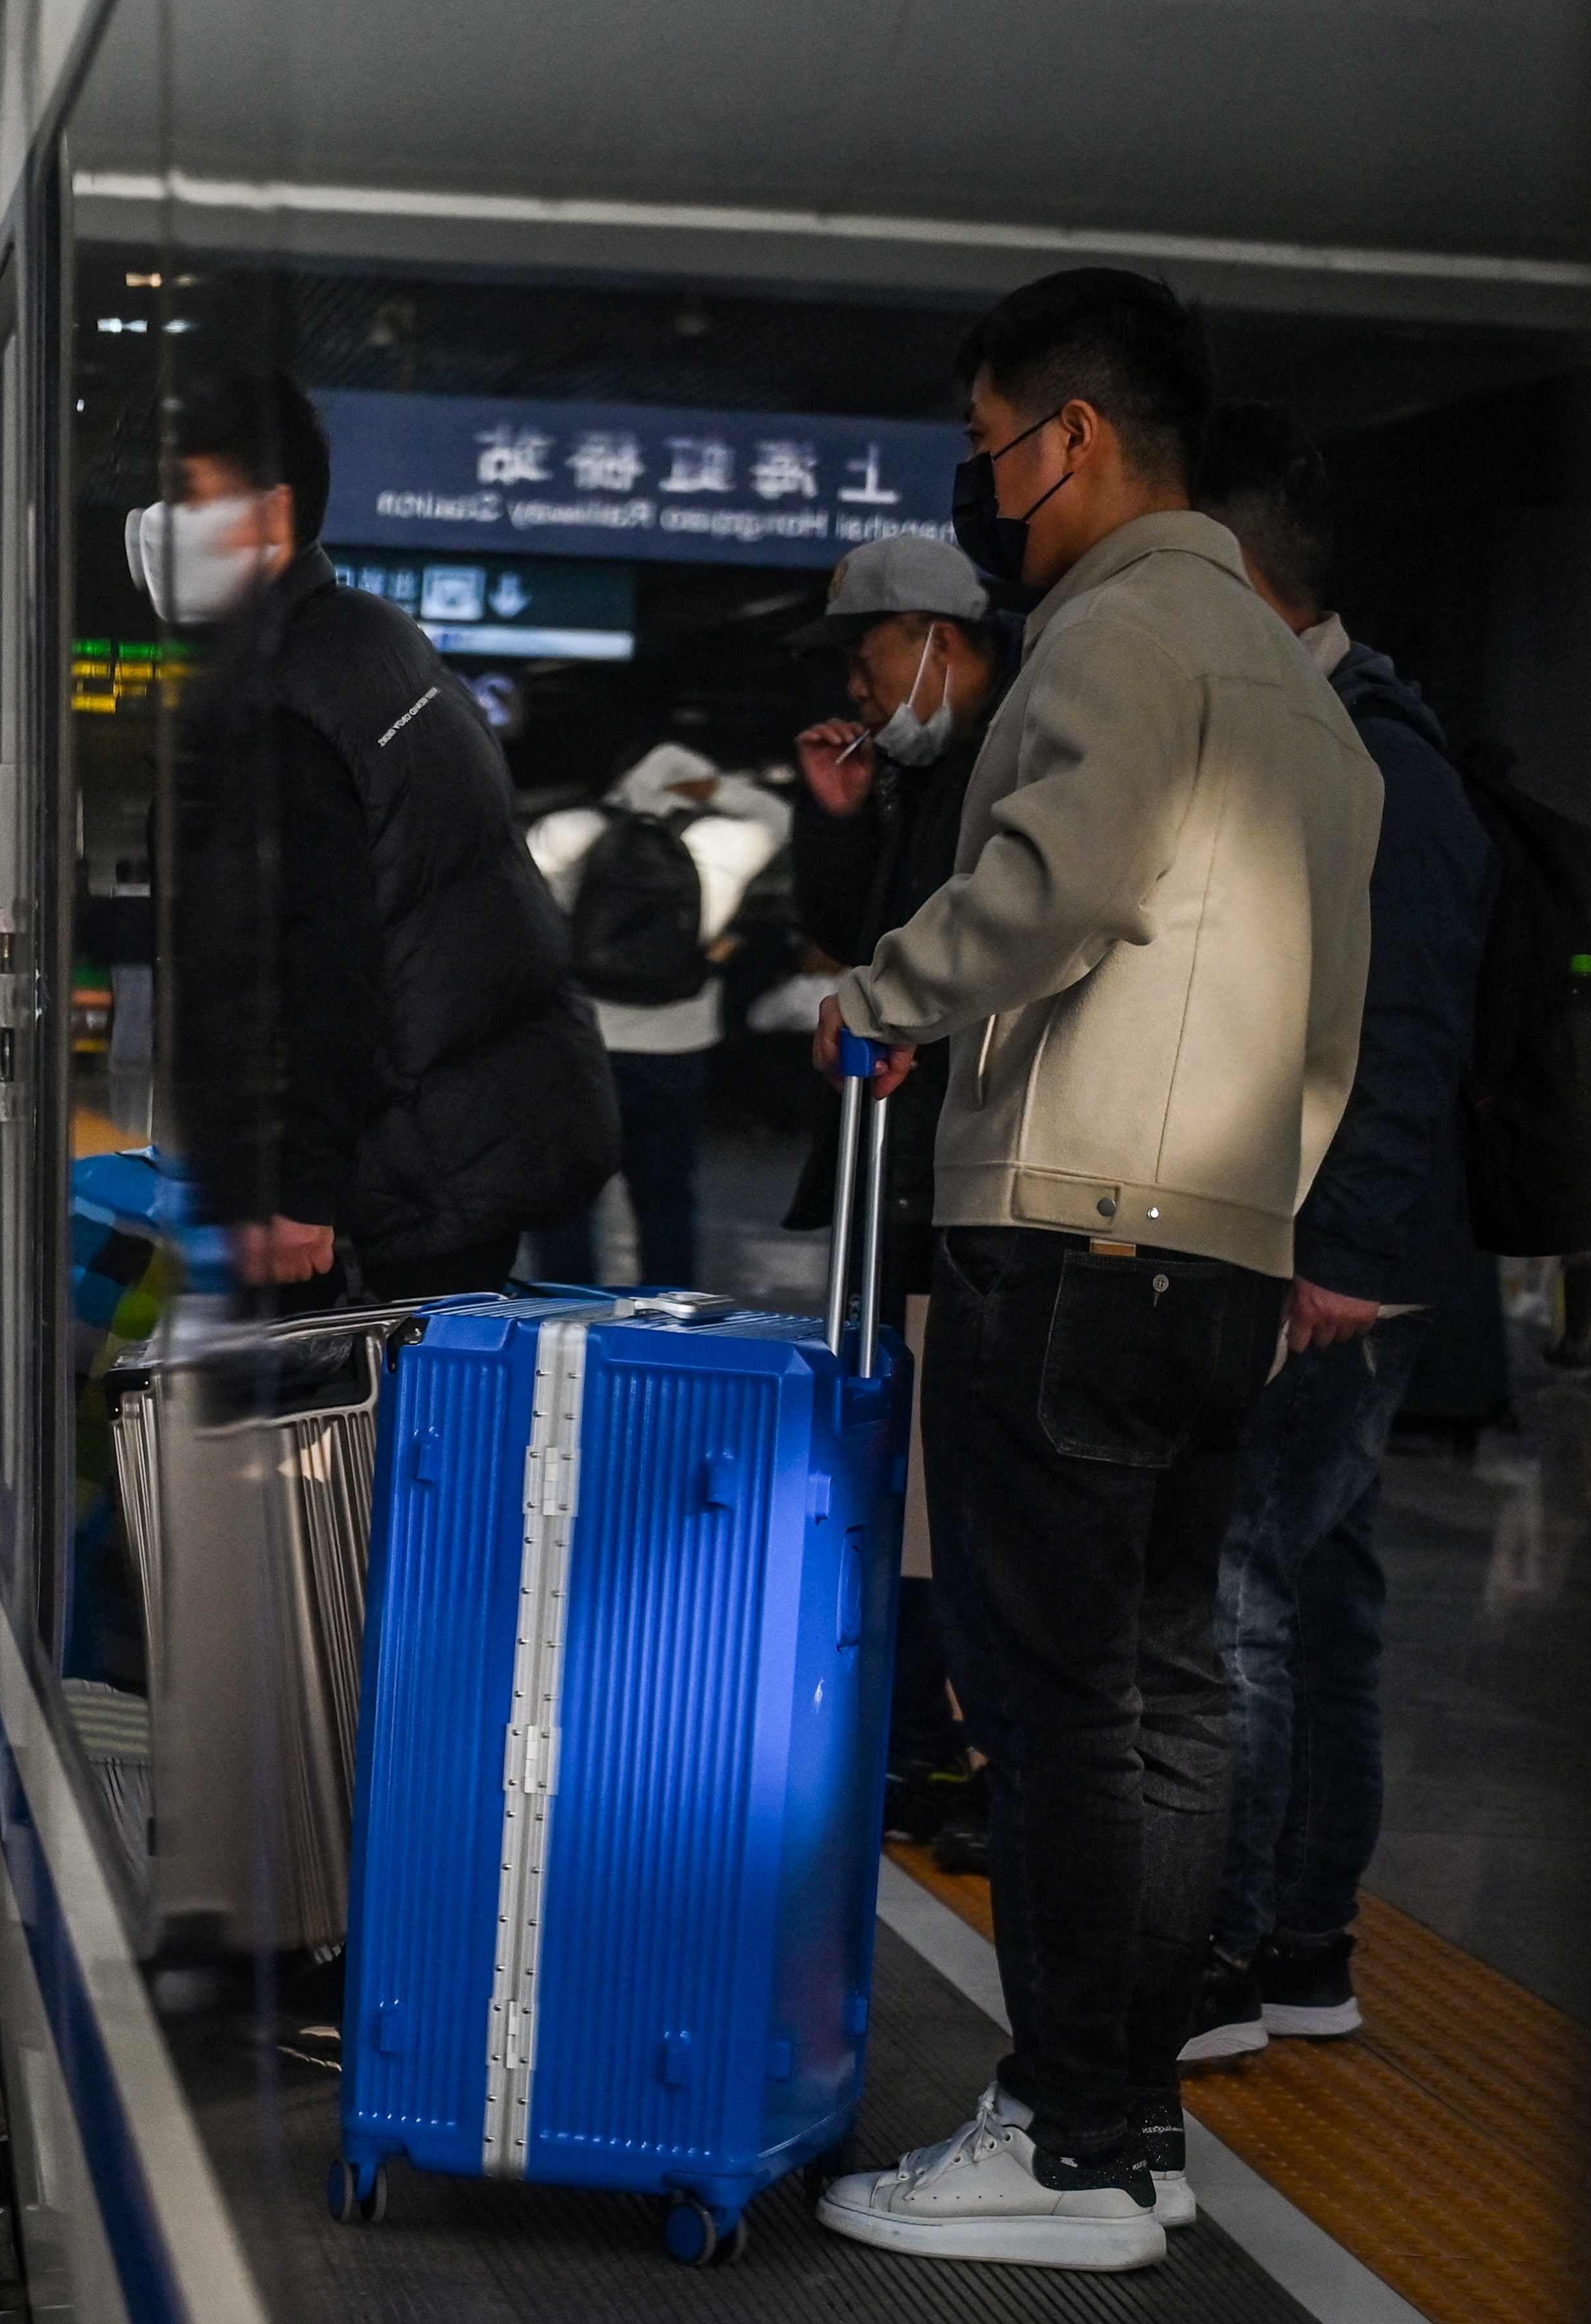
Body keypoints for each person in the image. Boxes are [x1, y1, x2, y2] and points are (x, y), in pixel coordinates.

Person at [807, 268, 1380, 2273]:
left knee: (1054, 1709)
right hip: (1218, 1247)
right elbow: (1333, 1023)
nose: (987, 490)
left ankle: (1061, 2139)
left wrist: (875, 991)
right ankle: (1131, 2137)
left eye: (990, 446)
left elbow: (1057, 881)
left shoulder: (1119, 634)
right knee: (1165, 1698)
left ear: (1072, 436)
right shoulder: (1301, 685)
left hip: (1071, 1233)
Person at [1180, 403, 1497, 2064]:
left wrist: (1345, 1255)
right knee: (1323, 1592)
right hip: (1338, 1246)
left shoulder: (1377, 750)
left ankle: (1228, 1956)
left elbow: (1409, 1020)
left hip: (1339, 1262)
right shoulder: (1334, 734)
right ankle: (1305, 1941)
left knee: (1241, 1586)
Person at [142, 368, 617, 1300]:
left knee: (354, 1434)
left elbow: (325, 958)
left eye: (187, 494)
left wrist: (296, 1191)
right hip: (457, 1132)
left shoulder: (281, 696)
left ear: (271, 515)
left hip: (394, 1169)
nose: (162, 523)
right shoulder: (371, 639)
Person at [781, 537, 1018, 1867]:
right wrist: (838, 808)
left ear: (933, 635)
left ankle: (968, 1747)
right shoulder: (917, 777)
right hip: (898, 1168)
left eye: (867, 656)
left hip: (956, 1177)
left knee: (957, 1491)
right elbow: (854, 939)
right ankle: (916, 1733)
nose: (861, 689)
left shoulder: (1016, 751)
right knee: (906, 1476)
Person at [520, 744, 790, 1288]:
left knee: (564, 1201)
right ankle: (663, 1324)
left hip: (580, 1043)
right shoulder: (722, 842)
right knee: (666, 1201)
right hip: (677, 1050)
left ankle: (561, 1320)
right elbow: (777, 814)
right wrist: (714, 789)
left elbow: (517, 910)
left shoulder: (568, 832)